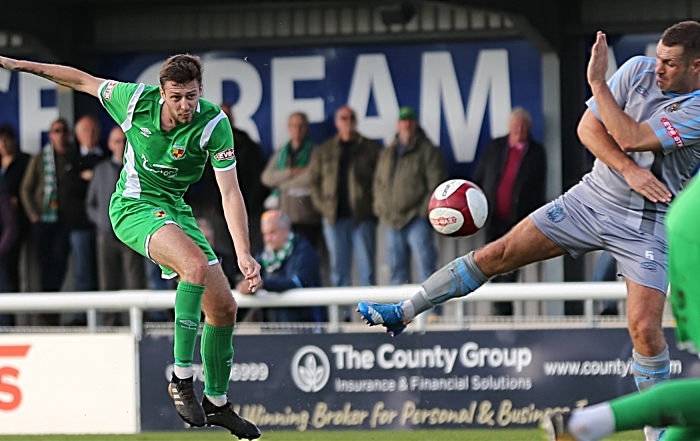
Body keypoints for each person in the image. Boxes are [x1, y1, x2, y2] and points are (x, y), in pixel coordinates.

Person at [357, 23, 700, 441]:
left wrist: (595, 83)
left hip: (647, 225)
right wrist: (627, 170)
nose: (658, 68)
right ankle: (404, 311)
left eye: (670, 63)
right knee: (497, 253)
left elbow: (630, 136)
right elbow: (587, 130)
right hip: (590, 200)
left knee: (644, 329)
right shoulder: (637, 70)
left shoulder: (698, 108)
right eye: (659, 57)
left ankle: (656, 433)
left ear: (696, 67)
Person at [1, 53, 261, 438]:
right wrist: (20, 65)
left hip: (175, 210)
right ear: (161, 93)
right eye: (177, 97)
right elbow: (80, 77)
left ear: (200, 91)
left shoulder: (214, 124)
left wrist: (243, 252)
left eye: (191, 96)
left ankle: (218, 403)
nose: (185, 105)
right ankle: (182, 378)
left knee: (223, 308)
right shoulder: (134, 100)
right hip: (133, 207)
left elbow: (230, 192)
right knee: (194, 266)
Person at [542, 115, 700, 441]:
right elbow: (623, 136)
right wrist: (599, 86)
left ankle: (588, 424)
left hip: (686, 219)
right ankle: (590, 424)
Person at [472, 107, 547, 316]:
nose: (519, 130)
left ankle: (504, 312)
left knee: (511, 265)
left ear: (529, 129)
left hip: (517, 220)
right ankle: (495, 308)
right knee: (489, 261)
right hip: (493, 217)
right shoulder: (496, 147)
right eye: (515, 126)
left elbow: (538, 188)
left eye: (523, 126)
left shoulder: (536, 152)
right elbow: (480, 176)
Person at [309, 105, 381, 290]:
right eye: (343, 118)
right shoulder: (325, 150)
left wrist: (372, 207)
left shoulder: (370, 148)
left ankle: (370, 314)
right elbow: (314, 182)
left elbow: (380, 181)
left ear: (356, 121)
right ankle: (342, 317)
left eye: (350, 118)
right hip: (334, 217)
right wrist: (324, 207)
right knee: (338, 270)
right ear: (337, 122)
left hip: (361, 218)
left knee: (367, 270)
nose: (347, 122)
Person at [373, 106, 447, 286]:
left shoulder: (427, 150)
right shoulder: (388, 152)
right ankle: (401, 314)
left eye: (410, 121)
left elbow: (436, 184)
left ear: (416, 124)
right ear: (398, 125)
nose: (406, 125)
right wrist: (381, 208)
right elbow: (378, 183)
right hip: (392, 221)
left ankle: (431, 314)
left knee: (427, 271)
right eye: (403, 121)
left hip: (416, 219)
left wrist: (422, 212)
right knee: (397, 273)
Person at [85, 126, 146, 325]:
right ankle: (110, 324)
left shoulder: (137, 168)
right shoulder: (100, 170)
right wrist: (101, 222)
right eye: (117, 141)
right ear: (110, 144)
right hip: (106, 236)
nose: (120, 145)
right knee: (108, 283)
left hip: (131, 236)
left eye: (123, 141)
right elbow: (90, 203)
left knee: (134, 281)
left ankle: (136, 324)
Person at [237, 210, 323, 323]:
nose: (267, 239)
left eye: (272, 233)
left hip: (304, 325)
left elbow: (297, 282)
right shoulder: (263, 253)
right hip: (272, 326)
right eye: (265, 234)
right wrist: (246, 284)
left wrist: (263, 284)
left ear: (286, 230)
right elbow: (254, 279)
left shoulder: (304, 250)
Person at [261, 111, 324, 256]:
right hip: (284, 216)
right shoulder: (282, 152)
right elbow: (266, 178)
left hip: (307, 216)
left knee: (307, 256)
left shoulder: (316, 152)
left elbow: (310, 178)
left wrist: (281, 185)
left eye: (302, 126)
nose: (298, 129)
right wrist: (291, 172)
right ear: (289, 128)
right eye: (295, 125)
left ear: (307, 128)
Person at [0, 124, 30, 295]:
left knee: (14, 272)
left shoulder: (24, 161)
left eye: (6, 140)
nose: (2, 144)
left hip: (18, 221)